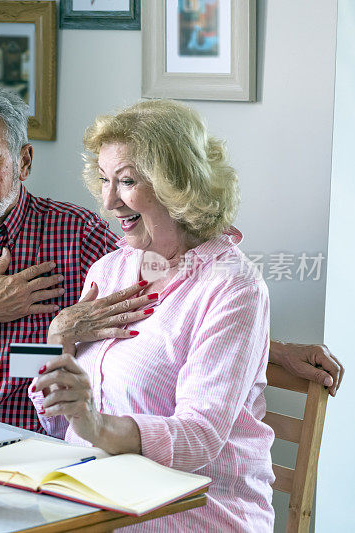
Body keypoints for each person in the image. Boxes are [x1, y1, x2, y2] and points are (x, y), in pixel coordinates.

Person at [0, 81, 344, 433]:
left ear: (23, 162)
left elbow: (172, 307)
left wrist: (273, 349)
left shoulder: (77, 236)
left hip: (27, 439)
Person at [30, 99, 274, 530]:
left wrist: (98, 426)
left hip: (194, 512)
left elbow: (199, 439)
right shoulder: (110, 269)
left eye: (126, 182)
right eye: (104, 180)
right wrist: (55, 341)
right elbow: (53, 421)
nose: (109, 202)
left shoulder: (234, 287)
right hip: (93, 499)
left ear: (176, 184)